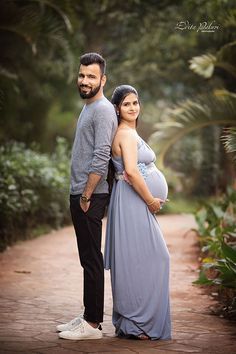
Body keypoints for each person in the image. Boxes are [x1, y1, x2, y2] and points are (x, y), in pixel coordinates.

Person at [57, 53, 118, 340]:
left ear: (102, 80)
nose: (84, 81)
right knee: (87, 259)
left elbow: (101, 154)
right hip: (82, 193)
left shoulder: (104, 110)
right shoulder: (88, 107)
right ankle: (87, 315)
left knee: (92, 259)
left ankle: (93, 324)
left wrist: (87, 195)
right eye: (82, 75)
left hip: (90, 196)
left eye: (91, 76)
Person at [104, 85, 171, 340]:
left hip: (131, 201)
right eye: (126, 104)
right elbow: (131, 172)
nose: (133, 107)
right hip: (134, 202)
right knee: (155, 258)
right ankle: (138, 322)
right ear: (118, 109)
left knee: (137, 259)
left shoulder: (129, 132)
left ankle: (132, 323)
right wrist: (151, 201)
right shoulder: (126, 134)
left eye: (135, 102)